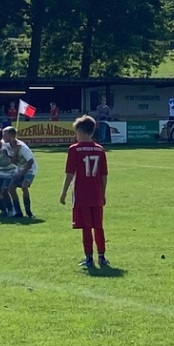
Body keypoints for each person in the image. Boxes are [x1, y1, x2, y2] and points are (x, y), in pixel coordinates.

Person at [61, 114, 109, 271]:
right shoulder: (100, 149)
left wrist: (64, 192)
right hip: (96, 193)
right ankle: (102, 256)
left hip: (81, 194)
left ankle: (89, 257)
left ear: (80, 131)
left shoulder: (74, 149)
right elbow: (104, 175)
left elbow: (69, 173)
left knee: (86, 227)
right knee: (98, 226)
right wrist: (103, 193)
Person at [0, 125, 37, 219]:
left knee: (24, 187)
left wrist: (21, 173)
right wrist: (15, 152)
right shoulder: (8, 146)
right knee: (11, 189)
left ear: (12, 136)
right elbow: (13, 161)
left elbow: (30, 162)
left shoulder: (22, 147)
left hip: (30, 169)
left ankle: (29, 212)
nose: (2, 137)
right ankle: (18, 212)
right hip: (19, 169)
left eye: (4, 135)